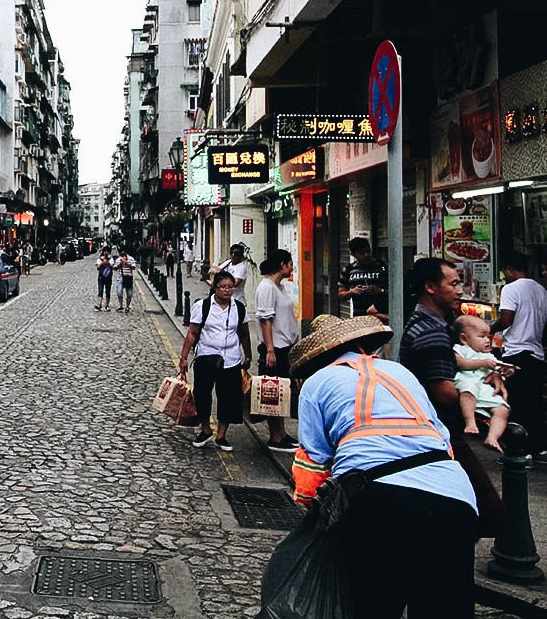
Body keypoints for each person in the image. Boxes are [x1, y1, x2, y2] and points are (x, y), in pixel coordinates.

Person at [288, 314, 477, 618]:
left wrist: (315, 520)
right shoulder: (400, 372)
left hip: (376, 499)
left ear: (319, 357)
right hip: (455, 498)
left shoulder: (317, 383)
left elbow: (313, 463)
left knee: (373, 605)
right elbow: (442, 440)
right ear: (364, 346)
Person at [400, 256, 505, 537]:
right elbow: (445, 393)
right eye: (454, 283)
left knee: (457, 511)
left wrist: (488, 374)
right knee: (487, 512)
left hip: (433, 433)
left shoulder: (439, 325)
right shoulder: (432, 331)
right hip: (440, 433)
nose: (460, 289)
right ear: (430, 287)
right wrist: (489, 406)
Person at [178, 271, 251, 451]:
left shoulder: (239, 308)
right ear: (215, 288)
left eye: (230, 287)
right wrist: (183, 357)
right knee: (202, 395)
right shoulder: (203, 306)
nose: (227, 291)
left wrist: (247, 355)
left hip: (231, 359)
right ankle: (205, 429)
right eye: (223, 287)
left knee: (228, 397)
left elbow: (244, 334)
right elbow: (193, 333)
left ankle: (221, 435)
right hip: (206, 356)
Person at [489, 250, 547, 458]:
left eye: (505, 272)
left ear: (510, 270)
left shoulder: (510, 289)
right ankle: (540, 446)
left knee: (517, 402)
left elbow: (506, 319)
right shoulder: (541, 289)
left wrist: (490, 329)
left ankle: (520, 450)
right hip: (536, 353)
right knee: (534, 401)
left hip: (516, 352)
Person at [255, 250, 299, 452]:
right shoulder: (267, 287)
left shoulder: (279, 287)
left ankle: (282, 433)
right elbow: (266, 320)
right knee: (273, 392)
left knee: (282, 393)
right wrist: (270, 350)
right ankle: (275, 437)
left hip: (285, 347)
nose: (292, 267)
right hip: (275, 348)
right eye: (290, 263)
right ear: (282, 265)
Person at [452, 315, 511, 452]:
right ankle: (470, 421)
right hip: (467, 380)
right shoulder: (461, 349)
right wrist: (482, 363)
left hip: (483, 386)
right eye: (482, 336)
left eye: (488, 336)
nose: (487, 340)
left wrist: (505, 371)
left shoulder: (489, 356)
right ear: (464, 339)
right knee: (468, 388)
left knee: (503, 409)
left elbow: (498, 370)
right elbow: (461, 363)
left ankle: (493, 437)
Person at [337, 236, 388, 320]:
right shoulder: (348, 269)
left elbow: (397, 293)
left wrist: (380, 291)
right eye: (361, 253)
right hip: (359, 320)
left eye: (368, 251)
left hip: (381, 318)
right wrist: (352, 292)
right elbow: (340, 295)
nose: (366, 255)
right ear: (353, 254)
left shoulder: (382, 267)